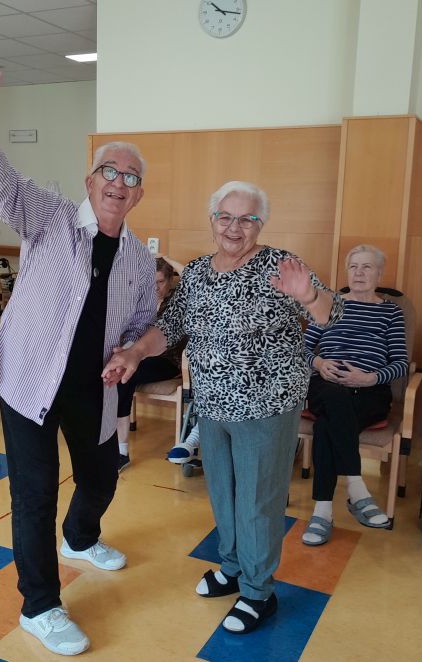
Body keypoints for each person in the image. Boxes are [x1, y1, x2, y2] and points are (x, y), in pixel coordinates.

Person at [0, 37, 155, 656]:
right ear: (90, 182)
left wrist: (132, 352)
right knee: (34, 494)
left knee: (102, 476)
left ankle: (81, 538)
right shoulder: (50, 217)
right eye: (109, 171)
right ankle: (40, 606)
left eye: (130, 177)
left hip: (94, 387)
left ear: (138, 194)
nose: (118, 182)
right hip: (30, 382)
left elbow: (142, 324)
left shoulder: (139, 260)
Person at [103, 181, 342, 634]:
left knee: (257, 501)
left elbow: (334, 315)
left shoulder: (279, 265)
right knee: (224, 493)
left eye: (247, 219)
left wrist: (309, 296)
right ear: (212, 220)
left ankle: (258, 591)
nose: (235, 227)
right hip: (212, 405)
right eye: (225, 217)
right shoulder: (196, 272)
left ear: (260, 224)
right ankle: (232, 567)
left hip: (266, 405)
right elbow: (170, 325)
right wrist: (134, 352)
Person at [301, 245, 408, 546]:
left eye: (367, 267)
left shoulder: (390, 312)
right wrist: (319, 363)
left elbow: (401, 363)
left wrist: (369, 377)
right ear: (347, 272)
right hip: (327, 385)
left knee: (327, 425)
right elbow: (302, 349)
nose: (359, 273)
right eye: (353, 267)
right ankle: (356, 487)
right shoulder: (329, 305)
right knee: (335, 398)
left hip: (371, 391)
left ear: (379, 274)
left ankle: (323, 512)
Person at [116, 255, 185, 472]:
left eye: (160, 282)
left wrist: (167, 257)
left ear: (170, 280)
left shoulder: (178, 299)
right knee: (118, 372)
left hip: (167, 361)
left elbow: (189, 275)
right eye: (151, 282)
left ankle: (121, 451)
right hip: (141, 356)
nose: (155, 287)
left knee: (125, 375)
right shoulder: (142, 301)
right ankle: (114, 443)